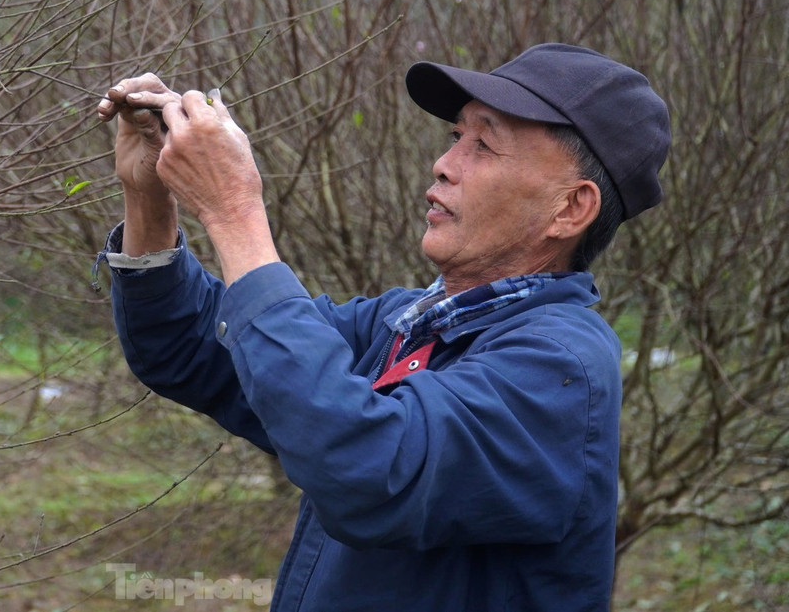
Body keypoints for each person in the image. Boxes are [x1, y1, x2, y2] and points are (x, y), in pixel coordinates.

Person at [93, 43, 671, 611]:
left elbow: (368, 472)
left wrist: (235, 212)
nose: (445, 164)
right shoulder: (407, 324)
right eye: (455, 137)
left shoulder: (560, 366)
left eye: (486, 146)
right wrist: (151, 199)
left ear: (570, 209)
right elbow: (194, 349)